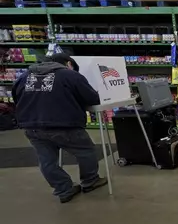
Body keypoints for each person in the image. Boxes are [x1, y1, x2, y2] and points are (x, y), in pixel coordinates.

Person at [12, 53, 108, 203]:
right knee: (85, 151)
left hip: (32, 126)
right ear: (69, 64)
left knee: (47, 160)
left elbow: (16, 99)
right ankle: (90, 181)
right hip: (64, 124)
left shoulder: (23, 77)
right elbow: (93, 98)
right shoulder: (70, 76)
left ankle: (64, 189)